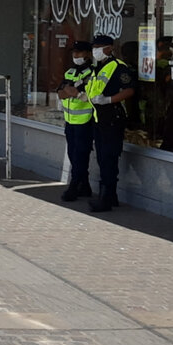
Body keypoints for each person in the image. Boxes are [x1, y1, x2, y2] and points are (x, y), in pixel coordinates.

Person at [84, 34, 135, 212]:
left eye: (99, 47)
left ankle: (105, 198)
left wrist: (108, 99)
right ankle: (110, 196)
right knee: (102, 158)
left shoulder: (118, 67)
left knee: (108, 159)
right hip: (99, 119)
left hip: (112, 118)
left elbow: (129, 90)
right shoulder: (99, 67)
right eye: (94, 47)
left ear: (109, 48)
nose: (95, 50)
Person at [57, 40, 94, 201]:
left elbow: (82, 93)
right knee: (73, 153)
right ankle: (84, 186)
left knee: (80, 155)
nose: (75, 55)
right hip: (70, 120)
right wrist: (72, 91)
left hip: (85, 121)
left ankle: (74, 185)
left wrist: (72, 91)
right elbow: (61, 92)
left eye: (79, 52)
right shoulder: (70, 72)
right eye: (74, 52)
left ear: (87, 54)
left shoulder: (92, 72)